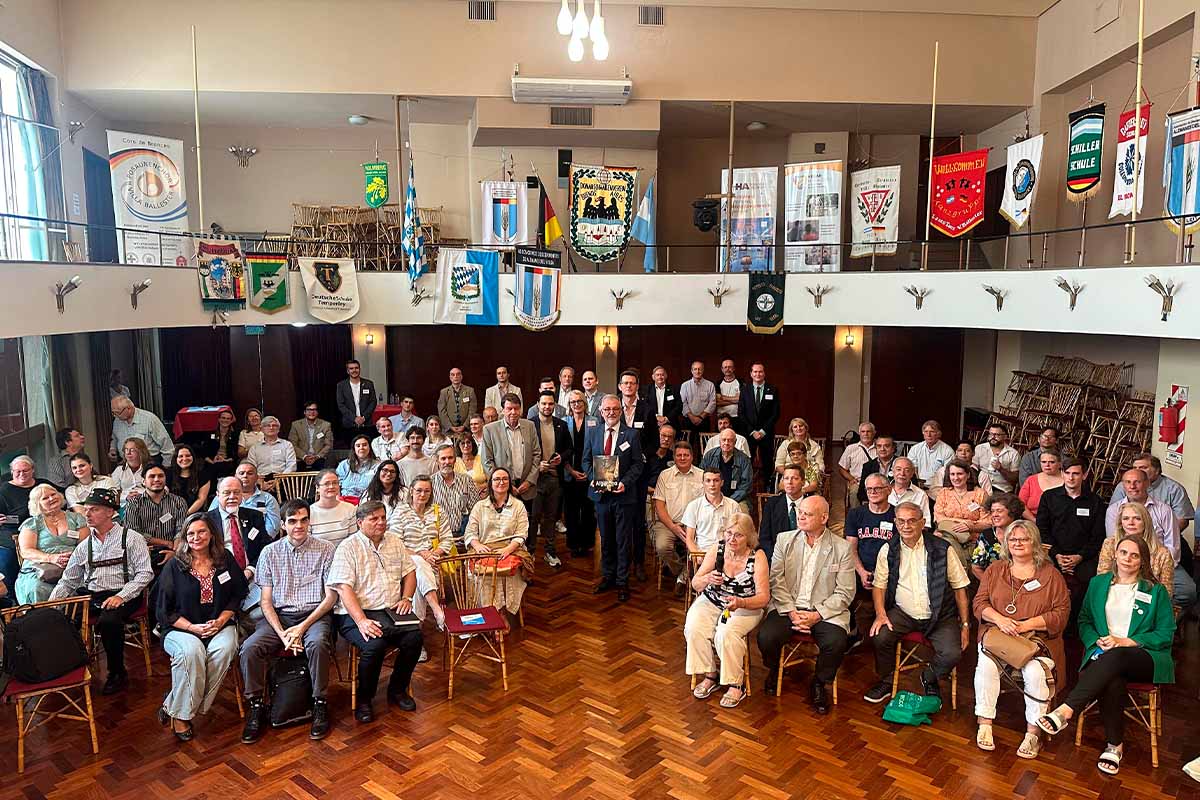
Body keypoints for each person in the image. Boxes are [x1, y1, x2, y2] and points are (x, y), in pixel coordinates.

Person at [1036, 536, 1176, 776]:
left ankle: (1067, 709)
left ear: (1143, 561)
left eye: (1134, 555)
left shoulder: (1155, 591)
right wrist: (1096, 641)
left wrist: (1126, 642)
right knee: (1113, 678)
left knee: (1118, 656)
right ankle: (1114, 746)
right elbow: (1084, 620)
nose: (1127, 559)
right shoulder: (1098, 584)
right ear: (1116, 555)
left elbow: (1166, 633)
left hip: (1144, 656)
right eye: (1123, 553)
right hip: (1103, 654)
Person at [239, 499, 337, 743]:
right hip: (279, 617)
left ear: (310, 521)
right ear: (283, 525)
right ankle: (256, 705)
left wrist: (301, 629)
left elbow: (330, 598)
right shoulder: (269, 552)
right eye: (292, 521)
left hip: (314, 616)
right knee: (249, 648)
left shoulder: (326, 549)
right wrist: (283, 633)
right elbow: (265, 601)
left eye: (304, 520)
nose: (299, 526)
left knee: (317, 643)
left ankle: (320, 702)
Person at [972, 520, 1070, 759]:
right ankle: (984, 723)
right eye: (1012, 539)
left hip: (1037, 641)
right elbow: (979, 603)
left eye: (1024, 539)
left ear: (1034, 542)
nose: (1017, 543)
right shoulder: (995, 570)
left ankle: (1033, 733)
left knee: (1035, 672)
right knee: (985, 664)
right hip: (999, 635)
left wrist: (1026, 625)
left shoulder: (1051, 575)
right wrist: (1000, 620)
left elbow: (1061, 614)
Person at [864, 501, 970, 705]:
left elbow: (960, 588)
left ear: (923, 523)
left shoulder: (942, 548)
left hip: (940, 614)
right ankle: (887, 680)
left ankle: (930, 676)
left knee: (952, 653)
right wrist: (880, 614)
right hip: (903, 613)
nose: (906, 526)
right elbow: (879, 585)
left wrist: (965, 625)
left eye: (912, 521)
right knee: (880, 636)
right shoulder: (888, 549)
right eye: (901, 521)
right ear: (895, 523)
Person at [50, 487, 154, 695]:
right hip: (94, 595)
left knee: (109, 621)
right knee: (61, 619)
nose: (87, 514)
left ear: (110, 512)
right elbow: (68, 581)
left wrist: (121, 596)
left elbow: (145, 573)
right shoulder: (84, 546)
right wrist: (52, 605)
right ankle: (74, 669)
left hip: (126, 593)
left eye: (94, 509)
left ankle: (117, 673)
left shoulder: (131, 538)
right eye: (86, 509)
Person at [155, 513, 248, 741]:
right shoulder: (175, 565)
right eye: (191, 533)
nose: (196, 537)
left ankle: (174, 704)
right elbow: (164, 611)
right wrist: (193, 628)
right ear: (185, 537)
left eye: (201, 532)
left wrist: (222, 620)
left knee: (225, 649)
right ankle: (181, 716)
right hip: (180, 628)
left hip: (220, 623)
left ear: (212, 534)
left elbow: (238, 593)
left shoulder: (224, 559)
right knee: (191, 652)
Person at [327, 500, 424, 721]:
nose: (381, 522)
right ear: (360, 522)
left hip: (390, 610)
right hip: (355, 613)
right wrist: (361, 620)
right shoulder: (348, 547)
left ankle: (397, 689)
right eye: (374, 519)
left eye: (383, 518)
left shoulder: (394, 541)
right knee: (375, 645)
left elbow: (410, 572)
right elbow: (343, 588)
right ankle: (364, 699)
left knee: (415, 638)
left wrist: (407, 597)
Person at [757, 497, 854, 713]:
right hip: (788, 606)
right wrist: (792, 612)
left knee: (836, 642)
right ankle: (775, 668)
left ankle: (819, 682)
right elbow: (776, 580)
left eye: (807, 514)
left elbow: (845, 591)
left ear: (824, 518)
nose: (800, 517)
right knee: (766, 637)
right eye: (800, 512)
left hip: (825, 611)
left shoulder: (842, 548)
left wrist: (817, 615)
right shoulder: (784, 540)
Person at [685, 513, 769, 709]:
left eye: (738, 535)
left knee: (726, 634)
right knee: (694, 627)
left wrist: (741, 602)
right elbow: (696, 583)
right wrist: (707, 579)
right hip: (713, 600)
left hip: (745, 605)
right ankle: (710, 674)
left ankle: (735, 683)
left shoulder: (757, 557)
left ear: (749, 537)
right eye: (729, 533)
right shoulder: (718, 549)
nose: (732, 539)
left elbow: (764, 598)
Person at [584, 394, 643, 602]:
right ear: (601, 411)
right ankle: (608, 576)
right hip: (601, 497)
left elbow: (638, 464)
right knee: (606, 539)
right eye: (607, 409)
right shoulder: (593, 432)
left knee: (623, 540)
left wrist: (624, 482)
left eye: (615, 409)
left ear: (621, 411)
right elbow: (585, 461)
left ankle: (622, 581)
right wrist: (592, 478)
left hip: (623, 496)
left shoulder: (632, 435)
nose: (611, 412)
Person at [1036, 457, 1106, 616]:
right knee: (1043, 577)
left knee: (1090, 582)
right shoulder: (1049, 497)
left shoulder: (1095, 501)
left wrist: (1079, 557)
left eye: (1076, 473)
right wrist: (1057, 555)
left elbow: (1098, 536)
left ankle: (1078, 622)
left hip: (1084, 557)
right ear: (1062, 474)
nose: (1071, 477)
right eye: (1067, 473)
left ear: (1084, 475)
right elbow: (1042, 530)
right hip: (1053, 554)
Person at [464, 468, 533, 616]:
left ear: (509, 483)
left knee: (508, 571)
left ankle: (502, 612)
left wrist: (508, 549)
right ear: (490, 483)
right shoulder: (479, 506)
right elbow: (470, 532)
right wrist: (477, 545)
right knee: (482, 573)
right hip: (484, 549)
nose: (501, 482)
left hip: (510, 549)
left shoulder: (518, 506)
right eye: (497, 479)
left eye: (505, 479)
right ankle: (492, 612)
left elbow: (522, 533)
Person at [388, 475, 450, 627]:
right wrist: (421, 554)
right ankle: (436, 608)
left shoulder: (438, 511)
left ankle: (417, 630)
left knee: (417, 577)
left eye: (427, 491)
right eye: (419, 490)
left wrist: (433, 554)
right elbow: (396, 543)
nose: (422, 494)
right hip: (405, 563)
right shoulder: (401, 511)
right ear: (411, 491)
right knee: (417, 563)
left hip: (433, 563)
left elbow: (447, 539)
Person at [15, 484, 87, 603]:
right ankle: (43, 615)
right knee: (36, 588)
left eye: (53, 494)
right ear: (37, 504)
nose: (51, 498)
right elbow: (26, 551)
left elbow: (85, 545)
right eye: (45, 498)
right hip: (40, 568)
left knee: (87, 584)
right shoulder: (33, 523)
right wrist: (51, 558)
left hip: (73, 565)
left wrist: (73, 558)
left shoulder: (76, 518)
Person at [1098, 502, 1176, 603]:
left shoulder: (1163, 554)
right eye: (1126, 518)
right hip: (1113, 598)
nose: (1130, 522)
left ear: (1146, 522)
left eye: (1137, 518)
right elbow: (1102, 579)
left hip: (1148, 603)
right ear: (1121, 523)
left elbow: (1166, 594)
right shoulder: (1110, 544)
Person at [652, 440, 704, 584]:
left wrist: (692, 526)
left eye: (686, 455)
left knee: (701, 547)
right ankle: (683, 571)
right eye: (679, 455)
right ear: (674, 457)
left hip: (694, 525)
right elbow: (659, 506)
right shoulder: (665, 475)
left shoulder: (702, 476)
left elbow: (706, 504)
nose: (682, 458)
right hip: (668, 523)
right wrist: (673, 526)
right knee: (662, 547)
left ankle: (685, 575)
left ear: (692, 457)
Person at [206, 477, 271, 587]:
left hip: (252, 575)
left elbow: (265, 547)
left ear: (242, 494)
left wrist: (250, 570)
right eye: (227, 493)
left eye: (236, 492)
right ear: (218, 495)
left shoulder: (255, 516)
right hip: (219, 577)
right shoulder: (206, 520)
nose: (232, 497)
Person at [530, 393, 570, 568]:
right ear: (538, 404)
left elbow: (569, 449)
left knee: (551, 518)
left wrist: (562, 457)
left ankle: (550, 552)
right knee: (533, 518)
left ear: (554, 405)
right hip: (535, 479)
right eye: (544, 403)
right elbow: (525, 452)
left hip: (555, 478)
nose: (547, 407)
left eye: (550, 404)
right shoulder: (529, 424)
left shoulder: (561, 424)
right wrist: (537, 465)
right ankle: (530, 553)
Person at [0, 456, 50, 594]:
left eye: (25, 470)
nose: (21, 474)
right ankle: (12, 598)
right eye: (18, 471)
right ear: (12, 472)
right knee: (6, 563)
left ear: (33, 470)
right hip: (12, 535)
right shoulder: (3, 490)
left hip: (44, 532)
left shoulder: (43, 485)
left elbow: (61, 498)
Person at [482, 394, 541, 510]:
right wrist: (504, 484)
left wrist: (529, 481)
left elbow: (536, 454)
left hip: (527, 488)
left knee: (527, 520)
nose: (513, 412)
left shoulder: (530, 426)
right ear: (503, 410)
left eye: (516, 408)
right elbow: (487, 461)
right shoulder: (490, 430)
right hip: (502, 489)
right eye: (509, 409)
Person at [1110, 452, 1195, 532]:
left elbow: (1182, 520)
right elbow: (1114, 515)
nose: (1138, 471)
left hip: (1163, 536)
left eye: (1143, 468)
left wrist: (1162, 537)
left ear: (1157, 470)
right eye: (1135, 468)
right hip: (1129, 535)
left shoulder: (1174, 489)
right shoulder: (1123, 486)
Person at [124, 464, 189, 569]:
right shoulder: (134, 504)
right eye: (152, 476)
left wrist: (175, 553)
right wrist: (165, 543)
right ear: (144, 482)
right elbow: (133, 533)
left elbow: (181, 530)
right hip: (142, 553)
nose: (157, 479)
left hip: (172, 553)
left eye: (160, 476)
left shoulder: (179, 502)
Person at [932, 458, 990, 565]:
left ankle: (962, 568)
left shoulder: (980, 494)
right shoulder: (943, 493)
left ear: (968, 475)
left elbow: (987, 523)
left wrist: (970, 527)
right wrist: (964, 522)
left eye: (959, 474)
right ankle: (963, 567)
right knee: (945, 540)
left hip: (973, 539)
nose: (956, 478)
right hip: (947, 535)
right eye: (952, 474)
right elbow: (939, 519)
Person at [845, 473, 896, 591]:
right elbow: (851, 549)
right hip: (860, 570)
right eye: (869, 489)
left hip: (889, 573)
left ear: (889, 490)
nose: (872, 492)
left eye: (877, 488)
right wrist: (862, 572)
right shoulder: (855, 514)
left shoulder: (897, 515)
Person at [206, 462, 282, 537]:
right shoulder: (221, 497)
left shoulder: (268, 498)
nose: (245, 476)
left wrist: (259, 539)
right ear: (235, 476)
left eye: (250, 473)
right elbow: (211, 520)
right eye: (241, 473)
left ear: (257, 477)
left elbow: (273, 526)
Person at [563, 390, 596, 559]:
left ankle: (588, 544)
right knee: (571, 511)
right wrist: (571, 470)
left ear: (585, 403)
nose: (576, 404)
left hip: (590, 473)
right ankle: (574, 545)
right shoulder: (563, 422)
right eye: (573, 402)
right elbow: (561, 449)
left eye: (579, 401)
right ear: (569, 405)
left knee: (589, 510)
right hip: (569, 472)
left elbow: (598, 449)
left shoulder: (595, 421)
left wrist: (590, 473)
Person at [760, 464, 814, 566]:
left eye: (795, 478)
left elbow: (819, 535)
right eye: (786, 478)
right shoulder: (772, 504)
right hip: (778, 559)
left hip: (807, 559)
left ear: (803, 482)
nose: (790, 482)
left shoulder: (813, 504)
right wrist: (776, 558)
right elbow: (764, 538)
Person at [681, 469, 741, 553]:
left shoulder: (733, 506)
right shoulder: (693, 506)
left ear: (722, 483)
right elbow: (689, 539)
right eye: (708, 481)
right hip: (702, 552)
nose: (712, 484)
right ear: (703, 483)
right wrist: (697, 554)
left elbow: (738, 534)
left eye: (716, 480)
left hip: (726, 553)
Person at [971, 493, 1025, 581]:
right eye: (992, 511)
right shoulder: (986, 535)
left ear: (1012, 512)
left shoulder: (1025, 533)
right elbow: (976, 567)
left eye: (999, 511)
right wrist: (991, 585)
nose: (994, 515)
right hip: (992, 582)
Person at [110, 395, 175, 467]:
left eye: (117, 413)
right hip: (126, 464)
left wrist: (165, 467)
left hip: (148, 464)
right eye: (113, 413)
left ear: (129, 409)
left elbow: (167, 446)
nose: (115, 416)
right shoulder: (117, 421)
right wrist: (113, 449)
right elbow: (115, 438)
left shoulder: (149, 419)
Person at [736, 362, 779, 469]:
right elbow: (741, 413)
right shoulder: (744, 390)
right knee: (747, 462)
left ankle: (768, 480)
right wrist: (752, 431)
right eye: (755, 372)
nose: (758, 374)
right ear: (751, 374)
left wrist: (763, 431)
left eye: (760, 372)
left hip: (766, 433)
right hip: (749, 433)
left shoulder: (773, 390)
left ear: (764, 373)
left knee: (768, 462)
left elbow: (775, 413)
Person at [432, 444, 479, 539]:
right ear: (437, 461)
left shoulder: (466, 480)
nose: (447, 462)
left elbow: (475, 509)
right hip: (439, 536)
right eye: (443, 458)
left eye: (450, 458)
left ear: (455, 460)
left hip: (463, 535)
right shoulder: (430, 483)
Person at [700, 429, 752, 511]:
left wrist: (729, 501)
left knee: (742, 514)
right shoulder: (710, 455)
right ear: (719, 441)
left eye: (730, 440)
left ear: (735, 442)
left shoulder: (744, 459)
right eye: (724, 440)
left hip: (737, 499)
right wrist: (711, 497)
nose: (726, 443)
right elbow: (701, 476)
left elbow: (745, 486)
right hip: (711, 497)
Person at [309, 470, 358, 546]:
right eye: (327, 484)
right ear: (317, 487)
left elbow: (353, 539)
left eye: (335, 483)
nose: (331, 486)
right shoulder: (309, 512)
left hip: (345, 552)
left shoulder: (350, 509)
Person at [246, 417, 297, 491]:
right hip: (261, 481)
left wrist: (279, 480)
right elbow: (250, 468)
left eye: (274, 425)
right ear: (262, 429)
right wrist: (260, 482)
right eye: (267, 425)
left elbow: (292, 465)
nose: (271, 428)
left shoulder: (287, 445)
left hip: (283, 480)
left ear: (278, 429)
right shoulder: (254, 448)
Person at [335, 359, 378, 441]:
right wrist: (354, 418)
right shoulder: (341, 385)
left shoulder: (368, 384)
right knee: (351, 447)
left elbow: (373, 402)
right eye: (351, 368)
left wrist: (364, 418)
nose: (354, 370)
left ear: (359, 369)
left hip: (367, 423)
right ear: (348, 371)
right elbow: (341, 405)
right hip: (349, 424)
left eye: (356, 368)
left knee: (367, 446)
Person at [838, 422, 878, 509]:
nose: (866, 434)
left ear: (874, 433)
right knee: (854, 492)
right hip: (858, 482)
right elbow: (842, 468)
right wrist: (851, 478)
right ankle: (856, 515)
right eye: (863, 432)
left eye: (868, 431)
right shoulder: (851, 448)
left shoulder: (879, 448)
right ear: (859, 433)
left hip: (877, 482)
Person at [973, 422, 1020, 494]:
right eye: (991, 434)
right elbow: (973, 469)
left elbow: (1015, 480)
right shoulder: (980, 448)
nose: (993, 437)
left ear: (1005, 436)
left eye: (997, 435)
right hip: (981, 487)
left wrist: (1001, 469)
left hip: (1002, 490)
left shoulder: (1013, 453)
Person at [679, 361, 716, 448]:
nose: (697, 371)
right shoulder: (685, 385)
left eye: (700, 369)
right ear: (691, 371)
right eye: (695, 369)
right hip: (688, 420)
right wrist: (692, 417)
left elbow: (712, 402)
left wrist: (701, 417)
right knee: (686, 446)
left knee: (704, 446)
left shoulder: (710, 385)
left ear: (703, 370)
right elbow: (683, 402)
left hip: (704, 420)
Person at [166, 444, 212, 514]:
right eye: (180, 456)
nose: (184, 459)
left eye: (188, 455)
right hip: (170, 512)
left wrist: (185, 514)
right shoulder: (168, 473)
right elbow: (164, 494)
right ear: (176, 459)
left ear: (193, 457)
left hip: (194, 514)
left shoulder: (203, 475)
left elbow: (201, 499)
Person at [1019, 449, 1063, 521]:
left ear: (1060, 464)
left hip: (1060, 521)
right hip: (1032, 522)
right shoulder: (1031, 480)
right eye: (1044, 462)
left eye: (1052, 462)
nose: (1047, 465)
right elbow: (1020, 504)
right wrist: (1034, 520)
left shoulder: (1068, 480)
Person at [907, 420, 954, 487]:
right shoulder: (915, 449)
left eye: (932, 432)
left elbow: (949, 473)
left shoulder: (948, 451)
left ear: (939, 434)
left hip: (939, 486)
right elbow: (912, 469)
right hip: (918, 485)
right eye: (926, 432)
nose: (928, 435)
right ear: (923, 433)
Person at [288, 402, 333, 470]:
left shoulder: (325, 425)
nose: (312, 412)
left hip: (319, 458)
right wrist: (304, 456)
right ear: (304, 412)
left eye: (314, 410)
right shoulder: (296, 425)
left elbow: (328, 445)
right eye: (309, 410)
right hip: (301, 458)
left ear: (317, 412)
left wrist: (317, 456)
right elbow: (292, 444)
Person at [336, 435, 380, 500]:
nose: (361, 448)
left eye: (364, 445)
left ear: (370, 447)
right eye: (358, 446)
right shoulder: (344, 465)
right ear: (354, 449)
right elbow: (336, 485)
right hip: (345, 500)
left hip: (367, 501)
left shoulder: (378, 466)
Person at [857, 435, 898, 503]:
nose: (882, 449)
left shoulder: (903, 464)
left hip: (897, 502)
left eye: (887, 446)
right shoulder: (868, 466)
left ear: (893, 448)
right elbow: (862, 492)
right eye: (879, 446)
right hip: (875, 502)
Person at [201, 408, 239, 481]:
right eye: (223, 418)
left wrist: (225, 460)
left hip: (228, 462)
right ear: (219, 419)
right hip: (211, 461)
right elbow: (204, 451)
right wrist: (211, 461)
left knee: (221, 468)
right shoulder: (210, 434)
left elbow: (236, 454)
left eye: (228, 418)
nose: (225, 420)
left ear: (231, 421)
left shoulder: (235, 435)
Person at [437, 368, 477, 436]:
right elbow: (441, 411)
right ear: (450, 377)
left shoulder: (470, 391)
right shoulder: (444, 392)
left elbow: (472, 410)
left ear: (461, 376)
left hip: (466, 430)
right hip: (449, 431)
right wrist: (450, 426)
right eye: (453, 375)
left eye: (458, 374)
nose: (455, 376)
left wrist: (465, 425)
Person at [641, 365, 681, 432]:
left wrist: (666, 418)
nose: (660, 377)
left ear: (666, 376)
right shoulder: (646, 390)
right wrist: (656, 417)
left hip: (670, 423)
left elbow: (679, 406)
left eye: (662, 375)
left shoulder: (674, 389)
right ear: (653, 377)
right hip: (652, 424)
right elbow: (644, 406)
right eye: (657, 375)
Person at [112, 437, 150, 503]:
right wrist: (126, 497)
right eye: (126, 450)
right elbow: (114, 493)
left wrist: (143, 495)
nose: (128, 453)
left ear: (141, 452)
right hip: (125, 503)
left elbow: (158, 490)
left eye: (132, 450)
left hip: (146, 502)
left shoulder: (150, 469)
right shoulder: (119, 470)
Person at [714, 359, 743, 430]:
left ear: (734, 368)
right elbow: (718, 402)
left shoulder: (740, 382)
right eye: (725, 367)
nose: (727, 369)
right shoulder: (718, 383)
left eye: (730, 367)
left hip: (736, 417)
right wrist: (735, 400)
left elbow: (741, 399)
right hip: (721, 419)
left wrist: (724, 398)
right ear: (722, 369)